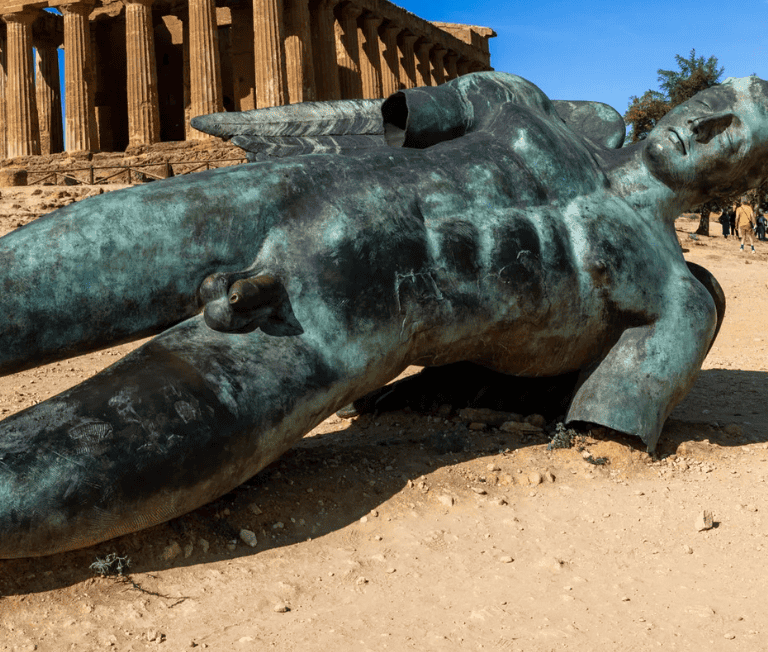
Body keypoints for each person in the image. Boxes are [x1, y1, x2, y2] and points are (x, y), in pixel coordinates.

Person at [3, 71, 768, 560]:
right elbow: (383, 119)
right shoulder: (530, 106)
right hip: (273, 200)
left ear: (740, 177)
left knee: (35, 487)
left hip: (335, 333)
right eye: (706, 107)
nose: (700, 128)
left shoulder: (677, 293)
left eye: (729, 132)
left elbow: (607, 427)